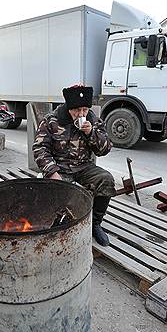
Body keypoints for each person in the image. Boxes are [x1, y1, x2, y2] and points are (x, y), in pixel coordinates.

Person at [32, 84, 115, 246]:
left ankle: (95, 223)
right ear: (68, 107)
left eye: (84, 110)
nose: (81, 114)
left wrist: (91, 133)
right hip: (60, 167)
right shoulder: (51, 120)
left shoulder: (93, 121)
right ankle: (55, 225)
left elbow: (104, 149)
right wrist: (52, 171)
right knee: (52, 191)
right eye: (76, 110)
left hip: (84, 167)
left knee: (106, 179)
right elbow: (39, 148)